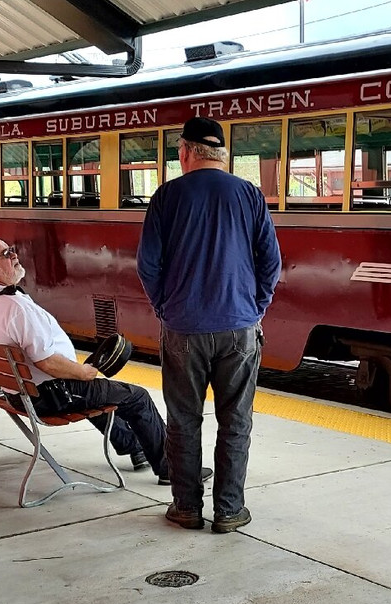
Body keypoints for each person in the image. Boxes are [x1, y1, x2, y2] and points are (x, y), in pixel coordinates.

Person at [0, 237, 210, 486]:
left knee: (98, 394)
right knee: (137, 397)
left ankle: (134, 446)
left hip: (18, 392)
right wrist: (83, 372)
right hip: (51, 395)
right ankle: (173, 469)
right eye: (6, 254)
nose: (14, 256)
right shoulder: (14, 307)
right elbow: (47, 362)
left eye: (12, 251)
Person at [138, 116, 281, 533]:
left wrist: (166, 307)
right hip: (239, 327)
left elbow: (148, 265)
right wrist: (255, 308)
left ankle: (186, 508)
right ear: (221, 154)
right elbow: (270, 263)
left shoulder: (167, 196)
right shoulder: (249, 194)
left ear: (186, 152)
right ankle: (229, 510)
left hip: (184, 328)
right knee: (235, 420)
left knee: (183, 419)